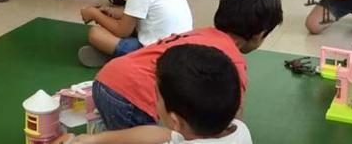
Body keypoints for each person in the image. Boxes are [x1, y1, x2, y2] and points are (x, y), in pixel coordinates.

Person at [80, 0, 282, 144]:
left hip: (111, 75)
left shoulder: (201, 33)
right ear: (260, 34)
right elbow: (233, 113)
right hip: (130, 96)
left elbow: (163, 134)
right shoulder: (231, 63)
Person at [55, 45, 252, 144]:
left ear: (175, 120)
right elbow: (163, 134)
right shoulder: (238, 129)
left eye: (157, 96)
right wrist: (97, 139)